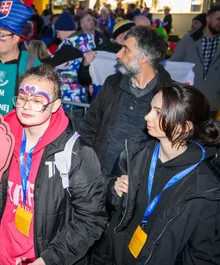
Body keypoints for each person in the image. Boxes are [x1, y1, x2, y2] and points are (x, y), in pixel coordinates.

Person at [0, 65, 107, 265]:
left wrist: (48, 260)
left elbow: (91, 219)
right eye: (22, 98)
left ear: (55, 105)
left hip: (40, 257)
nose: (27, 106)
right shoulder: (3, 137)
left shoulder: (76, 152)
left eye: (38, 100)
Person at [94, 84, 220, 264]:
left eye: (158, 112)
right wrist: (113, 188)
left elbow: (202, 255)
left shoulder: (206, 187)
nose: (147, 116)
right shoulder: (134, 155)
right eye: (151, 109)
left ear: (184, 127)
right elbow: (106, 200)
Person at [79, 26, 171, 176]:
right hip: (100, 178)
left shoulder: (169, 95)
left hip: (140, 184)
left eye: (125, 49)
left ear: (143, 58)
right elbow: (89, 125)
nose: (118, 55)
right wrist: (84, 164)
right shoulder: (112, 84)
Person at [171, 6, 220, 115]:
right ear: (208, 19)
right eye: (218, 19)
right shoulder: (189, 39)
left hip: (213, 103)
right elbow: (174, 65)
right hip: (189, 101)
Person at [52, 12, 96, 121]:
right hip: (81, 97)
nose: (57, 36)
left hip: (67, 97)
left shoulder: (67, 46)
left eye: (58, 32)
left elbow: (53, 66)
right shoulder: (88, 42)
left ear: (64, 29)